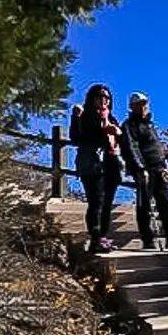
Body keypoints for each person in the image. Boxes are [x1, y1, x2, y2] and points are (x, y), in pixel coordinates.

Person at [120, 92, 168, 249]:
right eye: (139, 104)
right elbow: (131, 148)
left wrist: (164, 166)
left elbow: (157, 148)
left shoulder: (149, 125)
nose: (143, 107)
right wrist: (140, 168)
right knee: (144, 205)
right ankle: (148, 239)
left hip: (158, 169)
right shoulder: (128, 125)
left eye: (145, 103)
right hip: (144, 170)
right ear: (132, 107)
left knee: (165, 204)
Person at [70, 84, 124, 253]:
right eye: (99, 97)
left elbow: (121, 139)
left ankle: (103, 237)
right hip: (91, 163)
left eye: (106, 97)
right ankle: (95, 238)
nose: (103, 100)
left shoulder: (112, 118)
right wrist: (77, 119)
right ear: (92, 98)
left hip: (110, 163)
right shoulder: (84, 116)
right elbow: (76, 138)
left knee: (107, 203)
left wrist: (117, 132)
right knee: (96, 201)